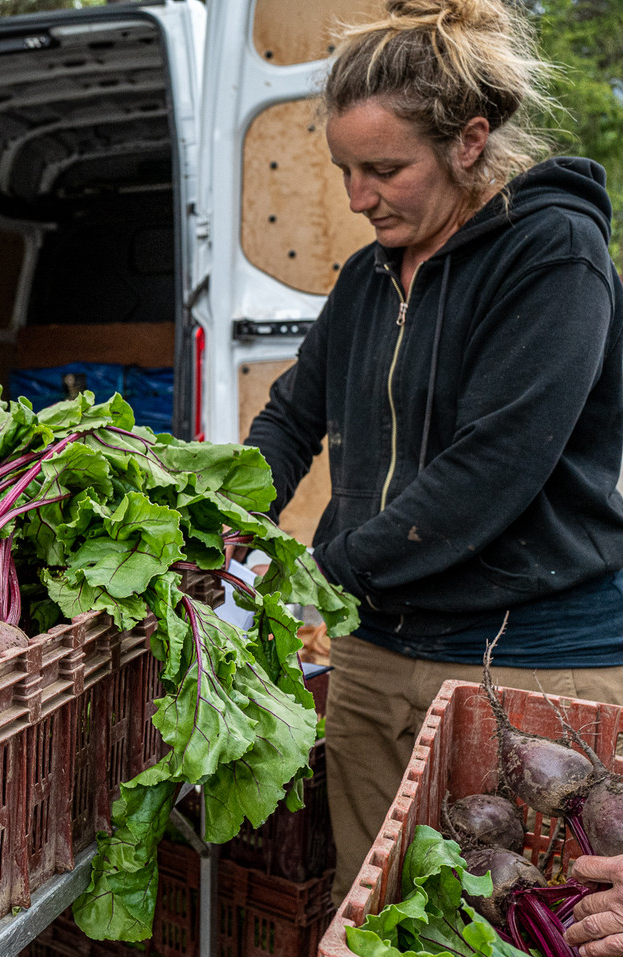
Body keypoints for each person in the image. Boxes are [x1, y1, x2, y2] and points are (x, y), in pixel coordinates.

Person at [244, 0, 623, 900]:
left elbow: (490, 471)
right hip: (377, 651)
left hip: (526, 654)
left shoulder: (554, 255)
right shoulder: (367, 277)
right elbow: (293, 416)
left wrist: (316, 570)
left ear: (470, 141)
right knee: (374, 918)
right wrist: (227, 515)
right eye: (342, 170)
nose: (356, 198)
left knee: (524, 932)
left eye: (383, 169)